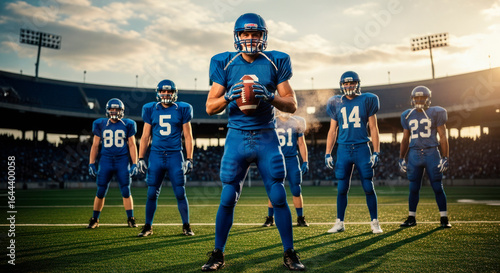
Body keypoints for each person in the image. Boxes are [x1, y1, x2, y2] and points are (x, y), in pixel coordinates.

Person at [202, 13, 305, 271]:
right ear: (237, 37)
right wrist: (227, 97)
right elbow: (210, 107)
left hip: (266, 135)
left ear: (263, 36)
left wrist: (270, 96)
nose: (250, 39)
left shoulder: (276, 60)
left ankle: (290, 253)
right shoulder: (224, 62)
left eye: (255, 34)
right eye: (245, 34)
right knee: (227, 197)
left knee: (279, 195)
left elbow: (291, 104)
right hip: (237, 137)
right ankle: (217, 253)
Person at [324, 71, 383, 234]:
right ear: (341, 85)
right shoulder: (336, 102)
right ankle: (339, 222)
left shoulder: (367, 99)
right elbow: (332, 130)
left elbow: (373, 127)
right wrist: (328, 152)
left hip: (362, 147)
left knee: (368, 186)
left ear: (358, 84)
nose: (348, 86)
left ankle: (375, 222)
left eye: (351, 83)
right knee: (342, 187)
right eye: (345, 83)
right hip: (343, 149)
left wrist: (376, 151)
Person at [136, 79, 195, 237]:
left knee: (180, 193)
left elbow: (188, 137)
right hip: (156, 156)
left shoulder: (182, 108)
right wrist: (140, 157)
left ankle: (186, 225)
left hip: (175, 155)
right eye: (163, 91)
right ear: (158, 92)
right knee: (151, 193)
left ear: (174, 93)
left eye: (169, 91)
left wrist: (189, 158)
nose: (166, 94)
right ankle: (148, 226)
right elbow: (145, 136)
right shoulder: (150, 109)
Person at [398, 86, 451, 228]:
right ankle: (411, 218)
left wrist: (445, 157)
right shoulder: (407, 115)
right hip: (414, 153)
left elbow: (443, 136)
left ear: (428, 99)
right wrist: (401, 158)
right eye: (417, 98)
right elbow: (405, 139)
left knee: (437, 186)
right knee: (413, 188)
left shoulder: (436, 112)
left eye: (422, 98)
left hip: (431, 152)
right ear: (412, 99)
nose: (419, 100)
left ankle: (444, 218)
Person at [87, 98, 139, 229]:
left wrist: (135, 163)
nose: (114, 111)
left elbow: (132, 145)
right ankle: (95, 219)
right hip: (106, 160)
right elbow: (95, 145)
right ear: (107, 110)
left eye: (117, 109)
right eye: (112, 109)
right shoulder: (100, 123)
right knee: (101, 190)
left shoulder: (128, 124)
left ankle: (130, 218)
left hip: (122, 160)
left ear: (122, 111)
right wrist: (91, 163)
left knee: (126, 190)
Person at [263, 110, 309, 227]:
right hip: (276, 159)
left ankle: (300, 218)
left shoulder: (297, 122)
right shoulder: (272, 122)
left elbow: (301, 143)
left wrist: (305, 161)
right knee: (273, 189)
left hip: (292, 159)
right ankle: (270, 218)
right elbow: (266, 142)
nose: (285, 111)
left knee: (296, 190)